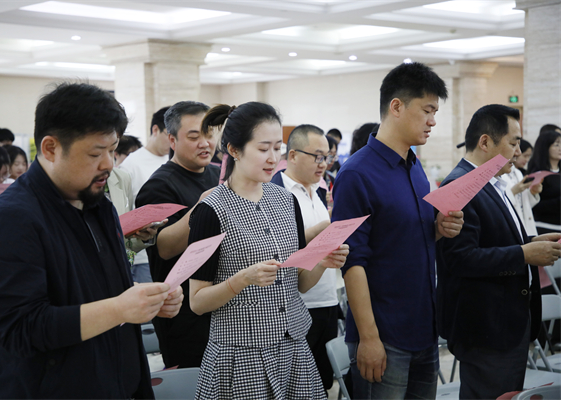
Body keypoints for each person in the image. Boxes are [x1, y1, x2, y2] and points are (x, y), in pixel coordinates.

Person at [0, 82, 183, 399]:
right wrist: (119, 308)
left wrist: (145, 300)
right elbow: (19, 329)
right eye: (96, 153)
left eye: (112, 150)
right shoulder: (12, 219)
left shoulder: (98, 206)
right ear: (50, 149)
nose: (109, 164)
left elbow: (100, 292)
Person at [188, 102, 349, 400]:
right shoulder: (210, 210)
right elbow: (197, 302)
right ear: (234, 150)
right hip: (241, 355)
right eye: (263, 149)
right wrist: (242, 279)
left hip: (294, 348)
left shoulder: (286, 201)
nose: (274, 158)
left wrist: (322, 261)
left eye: (278, 148)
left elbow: (299, 283)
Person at [332, 62, 464, 400]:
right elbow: (352, 261)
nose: (433, 121)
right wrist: (368, 337)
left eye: (435, 112)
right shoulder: (357, 174)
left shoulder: (414, 166)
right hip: (384, 334)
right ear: (396, 107)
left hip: (423, 327)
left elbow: (403, 237)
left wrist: (438, 229)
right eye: (427, 110)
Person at [437, 104, 561, 399]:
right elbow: (460, 258)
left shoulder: (492, 182)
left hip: (504, 323)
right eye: (513, 143)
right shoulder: (459, 185)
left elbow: (495, 238)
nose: (518, 152)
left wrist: (534, 240)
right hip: (485, 327)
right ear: (485, 142)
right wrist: (524, 254)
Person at [135, 101, 218, 369]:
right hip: (183, 314)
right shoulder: (158, 186)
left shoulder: (219, 174)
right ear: (172, 140)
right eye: (194, 137)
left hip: (221, 302)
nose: (205, 143)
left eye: (209, 134)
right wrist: (202, 208)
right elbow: (164, 248)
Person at [270, 124, 339, 393]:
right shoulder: (275, 193)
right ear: (293, 155)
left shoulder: (319, 191)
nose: (323, 164)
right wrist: (320, 232)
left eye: (327, 157)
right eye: (317, 157)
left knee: (323, 383)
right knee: (296, 386)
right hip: (296, 306)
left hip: (327, 300)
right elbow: (277, 248)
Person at [120, 106, 171, 283]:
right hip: (142, 256)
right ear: (155, 130)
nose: (173, 141)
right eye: (169, 134)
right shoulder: (131, 164)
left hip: (170, 250)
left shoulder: (172, 161)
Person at [501, 138, 541, 236]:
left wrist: (532, 193)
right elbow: (498, 205)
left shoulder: (518, 173)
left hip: (525, 224)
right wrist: (513, 191)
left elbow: (524, 204)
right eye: (525, 155)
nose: (517, 152)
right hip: (510, 225)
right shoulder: (499, 174)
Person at [528, 130, 561, 234]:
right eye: (556, 144)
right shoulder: (538, 174)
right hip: (544, 227)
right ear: (545, 147)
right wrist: (557, 202)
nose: (560, 148)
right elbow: (532, 204)